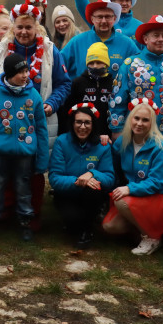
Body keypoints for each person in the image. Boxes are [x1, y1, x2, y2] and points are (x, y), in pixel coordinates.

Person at [0, 55, 49, 240]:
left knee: (23, 187)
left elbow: (41, 129)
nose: (26, 75)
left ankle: (25, 221)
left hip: (25, 154)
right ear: (9, 74)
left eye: (26, 71)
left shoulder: (33, 95)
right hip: (0, 153)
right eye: (20, 72)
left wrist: (41, 160)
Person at [0, 3, 71, 143]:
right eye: (19, 27)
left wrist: (52, 103)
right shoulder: (3, 49)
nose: (23, 32)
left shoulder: (50, 51)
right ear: (13, 28)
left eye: (28, 27)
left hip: (40, 119)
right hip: (6, 119)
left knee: (40, 161)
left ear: (37, 28)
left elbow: (64, 84)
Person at [102, 98, 163, 256]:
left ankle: (152, 238)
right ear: (130, 118)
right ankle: (142, 229)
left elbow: (156, 182)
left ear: (152, 123)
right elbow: (112, 165)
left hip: (158, 195)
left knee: (121, 201)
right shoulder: (122, 141)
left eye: (145, 120)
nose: (139, 123)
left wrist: (129, 188)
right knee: (110, 227)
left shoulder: (160, 146)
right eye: (136, 118)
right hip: (136, 195)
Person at [108, 15, 163, 146]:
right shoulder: (130, 65)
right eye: (156, 35)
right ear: (145, 39)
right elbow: (117, 100)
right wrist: (116, 130)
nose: (160, 39)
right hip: (135, 135)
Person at [49, 103, 115, 248]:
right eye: (78, 122)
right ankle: (76, 224)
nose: (82, 127)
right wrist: (78, 181)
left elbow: (110, 179)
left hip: (91, 195)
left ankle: (87, 230)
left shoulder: (102, 145)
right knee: (72, 221)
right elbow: (54, 178)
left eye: (87, 122)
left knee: (92, 191)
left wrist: (92, 174)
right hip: (67, 192)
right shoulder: (61, 142)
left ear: (93, 124)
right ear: (72, 123)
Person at [61, 0, 139, 79]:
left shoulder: (127, 44)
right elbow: (58, 67)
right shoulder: (76, 42)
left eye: (108, 17)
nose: (104, 21)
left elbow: (139, 69)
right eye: (99, 17)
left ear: (114, 19)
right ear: (92, 19)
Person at [59, 42, 114, 139]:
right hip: (81, 135)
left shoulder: (113, 84)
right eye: (91, 63)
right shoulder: (77, 83)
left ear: (106, 63)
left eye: (99, 62)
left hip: (107, 136)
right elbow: (67, 112)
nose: (95, 66)